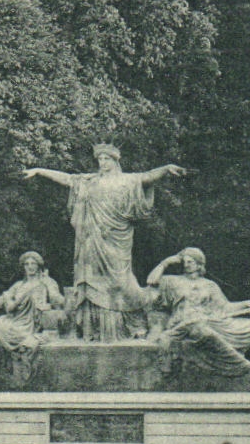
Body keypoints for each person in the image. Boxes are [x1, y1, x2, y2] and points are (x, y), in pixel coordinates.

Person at [22, 144, 186, 341]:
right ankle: (93, 329)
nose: (102, 162)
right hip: (91, 238)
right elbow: (67, 179)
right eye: (100, 159)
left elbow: (147, 177)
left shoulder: (127, 180)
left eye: (106, 158)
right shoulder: (89, 181)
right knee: (92, 279)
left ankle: (133, 324)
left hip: (117, 237)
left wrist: (166, 168)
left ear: (115, 160)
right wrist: (39, 171)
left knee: (121, 281)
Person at [145, 248, 250, 375]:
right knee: (202, 331)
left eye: (190, 262)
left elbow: (224, 307)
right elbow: (151, 281)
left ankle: (235, 361)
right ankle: (243, 366)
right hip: (184, 323)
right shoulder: (172, 281)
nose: (186, 265)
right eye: (184, 262)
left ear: (199, 264)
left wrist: (244, 304)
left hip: (206, 320)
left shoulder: (210, 285)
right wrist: (166, 262)